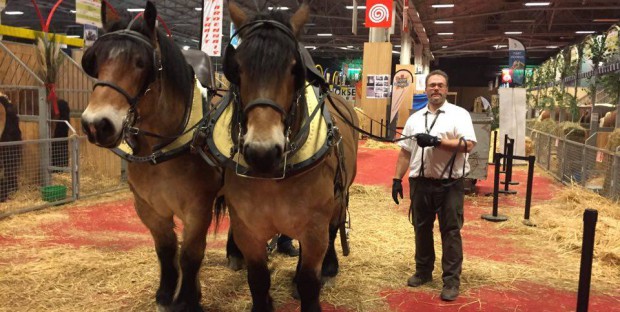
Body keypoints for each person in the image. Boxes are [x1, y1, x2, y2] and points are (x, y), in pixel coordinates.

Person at [391, 70, 476, 302]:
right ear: (425, 89)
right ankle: (423, 271)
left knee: (450, 232)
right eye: (431, 85)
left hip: (450, 184)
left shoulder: (459, 115)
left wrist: (438, 142)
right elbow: (405, 152)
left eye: (440, 85)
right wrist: (397, 179)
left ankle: (451, 281)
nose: (435, 89)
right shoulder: (415, 119)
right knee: (421, 228)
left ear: (446, 89)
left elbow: (468, 145)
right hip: (420, 183)